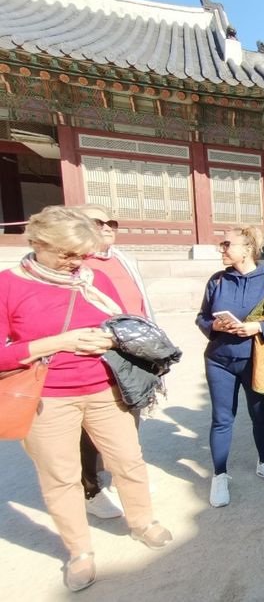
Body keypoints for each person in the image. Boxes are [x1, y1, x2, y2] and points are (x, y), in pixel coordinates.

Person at [0, 206, 171, 592]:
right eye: (66, 254)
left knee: (128, 460)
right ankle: (79, 551)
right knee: (61, 477)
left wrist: (109, 339)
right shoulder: (8, 285)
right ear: (37, 243)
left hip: (104, 387)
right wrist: (58, 342)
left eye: (81, 254)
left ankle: (142, 520)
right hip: (47, 396)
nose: (75, 263)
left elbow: (122, 326)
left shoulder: (94, 279)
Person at [195, 225, 264, 508]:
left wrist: (258, 327)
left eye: (227, 244)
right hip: (219, 360)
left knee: (260, 414)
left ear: (248, 248)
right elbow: (202, 317)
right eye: (222, 244)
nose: (222, 249)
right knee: (222, 418)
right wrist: (213, 324)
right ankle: (219, 475)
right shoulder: (217, 281)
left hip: (256, 360)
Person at [71, 205, 154, 520]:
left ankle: (123, 476)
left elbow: (141, 305)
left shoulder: (123, 260)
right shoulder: (77, 265)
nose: (107, 226)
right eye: (97, 221)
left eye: (111, 222)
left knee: (129, 412)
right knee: (89, 424)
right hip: (94, 352)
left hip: (131, 349)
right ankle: (90, 486)